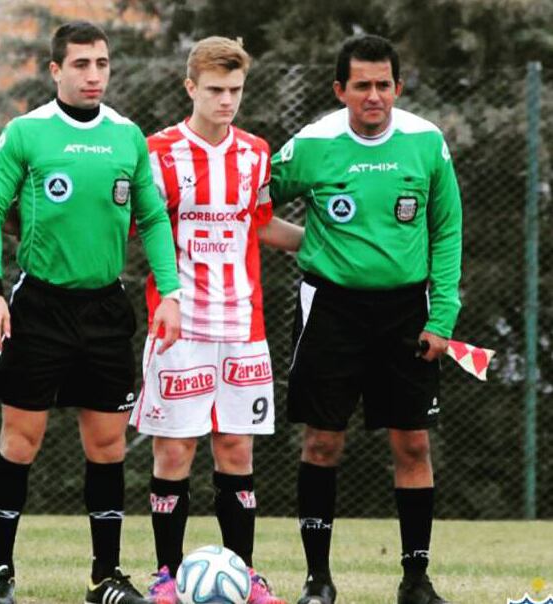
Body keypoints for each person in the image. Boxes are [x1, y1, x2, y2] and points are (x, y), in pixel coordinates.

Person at [0, 20, 182, 604]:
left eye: (103, 64)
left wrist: (170, 292)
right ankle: (0, 573)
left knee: (109, 447)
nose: (94, 75)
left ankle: (104, 576)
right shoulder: (26, 132)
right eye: (82, 64)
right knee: (21, 440)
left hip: (105, 308)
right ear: (56, 70)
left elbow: (154, 218)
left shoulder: (127, 137)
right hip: (38, 306)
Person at [268, 34, 461, 604]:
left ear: (398, 87)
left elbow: (446, 230)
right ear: (340, 90)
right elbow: (252, 200)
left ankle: (415, 581)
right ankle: (318, 580)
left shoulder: (427, 143)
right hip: (330, 308)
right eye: (362, 86)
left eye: (384, 85)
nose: (373, 96)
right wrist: (309, 246)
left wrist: (444, 314)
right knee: (322, 443)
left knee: (413, 447)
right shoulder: (313, 143)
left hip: (408, 312)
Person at [130, 36, 303, 604]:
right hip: (178, 325)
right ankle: (165, 573)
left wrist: (328, 250)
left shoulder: (255, 152)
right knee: (175, 450)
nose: (226, 101)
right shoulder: (158, 153)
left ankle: (245, 573)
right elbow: (136, 228)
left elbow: (262, 225)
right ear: (190, 88)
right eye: (215, 91)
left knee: (236, 448)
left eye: (234, 90)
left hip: (242, 326)